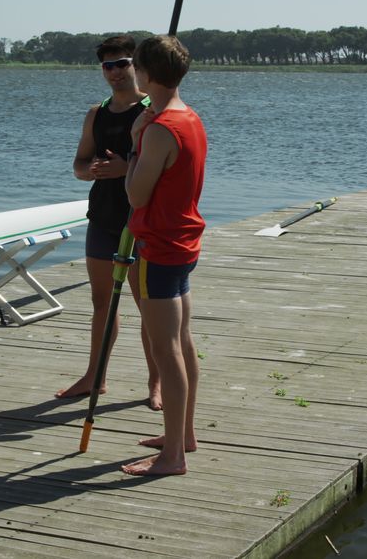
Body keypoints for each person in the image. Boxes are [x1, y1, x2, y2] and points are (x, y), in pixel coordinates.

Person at [56, 35, 162, 411]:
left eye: (123, 64)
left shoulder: (152, 112)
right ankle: (95, 376)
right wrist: (92, 172)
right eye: (108, 66)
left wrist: (125, 168)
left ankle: (155, 382)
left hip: (139, 221)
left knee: (147, 303)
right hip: (102, 218)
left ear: (137, 66)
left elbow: (164, 167)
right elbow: (79, 163)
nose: (115, 72)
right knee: (102, 302)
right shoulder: (95, 114)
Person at [120, 35, 207, 476]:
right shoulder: (188, 117)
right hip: (184, 244)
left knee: (166, 348)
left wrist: (136, 144)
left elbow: (136, 195)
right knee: (182, 340)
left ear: (146, 74)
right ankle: (183, 435)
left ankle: (172, 457)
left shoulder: (157, 129)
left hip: (158, 247)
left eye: (135, 67)